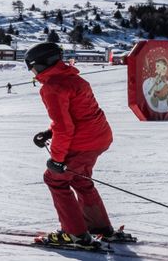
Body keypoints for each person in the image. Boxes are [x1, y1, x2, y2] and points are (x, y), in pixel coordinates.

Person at [25, 43, 131, 248]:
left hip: (83, 142)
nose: (32, 73)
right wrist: (49, 133)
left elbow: (64, 128)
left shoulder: (53, 87)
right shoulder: (74, 79)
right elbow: (78, 114)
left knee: (55, 179)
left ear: (41, 65)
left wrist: (56, 159)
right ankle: (99, 228)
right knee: (81, 180)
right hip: (99, 137)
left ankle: (74, 234)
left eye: (32, 68)